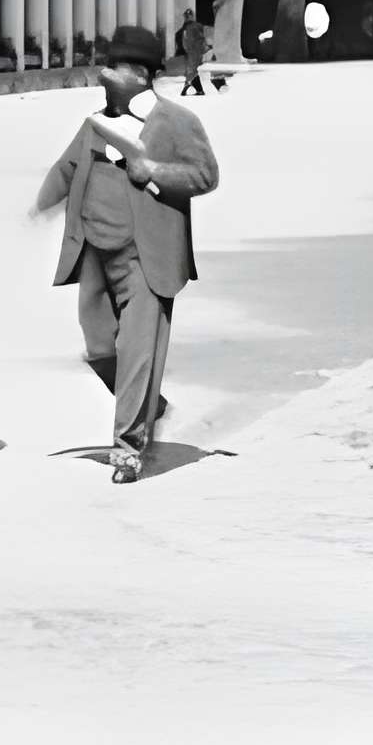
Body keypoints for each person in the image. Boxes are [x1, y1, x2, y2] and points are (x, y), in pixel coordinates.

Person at [31, 24, 220, 483]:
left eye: (112, 67)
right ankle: (149, 406)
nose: (104, 74)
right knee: (99, 346)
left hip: (148, 256)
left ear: (138, 73)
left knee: (136, 351)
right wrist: (35, 207)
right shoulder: (96, 122)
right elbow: (67, 167)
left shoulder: (177, 121)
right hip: (95, 250)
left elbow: (205, 175)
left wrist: (151, 169)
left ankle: (129, 446)